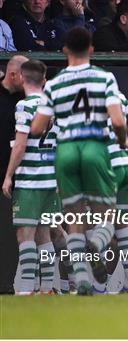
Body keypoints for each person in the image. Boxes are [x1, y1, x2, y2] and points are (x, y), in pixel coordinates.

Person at [31, 27, 128, 295]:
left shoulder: (55, 83)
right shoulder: (104, 78)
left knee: (73, 221)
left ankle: (82, 280)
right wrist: (122, 139)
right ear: (92, 50)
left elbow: (38, 128)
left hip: (67, 153)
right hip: (95, 150)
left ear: (64, 51)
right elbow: (119, 120)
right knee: (107, 214)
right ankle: (97, 244)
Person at [1, 59, 59, 295]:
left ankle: (25, 291)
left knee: (25, 234)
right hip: (50, 180)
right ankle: (46, 289)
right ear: (44, 80)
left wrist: (8, 176)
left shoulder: (24, 106)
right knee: (44, 234)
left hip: (30, 180)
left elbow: (20, 144)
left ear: (22, 78)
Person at [91, 92, 128, 294]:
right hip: (125, 164)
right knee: (122, 227)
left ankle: (99, 287)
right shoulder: (117, 96)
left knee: (103, 222)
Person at [0, 55, 27, 295]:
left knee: (11, 231)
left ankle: (6, 283)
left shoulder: (26, 100)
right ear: (13, 75)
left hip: (13, 178)